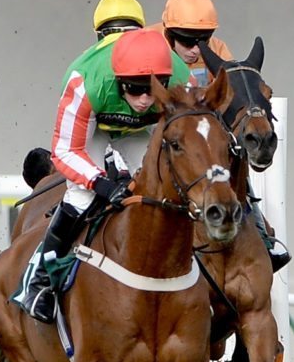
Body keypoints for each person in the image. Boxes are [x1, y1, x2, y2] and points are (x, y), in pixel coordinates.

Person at [13, 29, 191, 323]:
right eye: (134, 89)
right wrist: (102, 184)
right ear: (118, 80)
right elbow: (65, 151)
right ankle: (40, 280)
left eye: (152, 89)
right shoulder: (86, 83)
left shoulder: (182, 80)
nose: (144, 99)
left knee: (171, 188)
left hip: (139, 131)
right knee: (82, 196)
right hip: (94, 130)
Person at [149, 0, 232, 87]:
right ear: (170, 35)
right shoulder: (146, 45)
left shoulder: (218, 50)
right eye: (188, 42)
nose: (196, 51)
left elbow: (231, 86)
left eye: (203, 42)